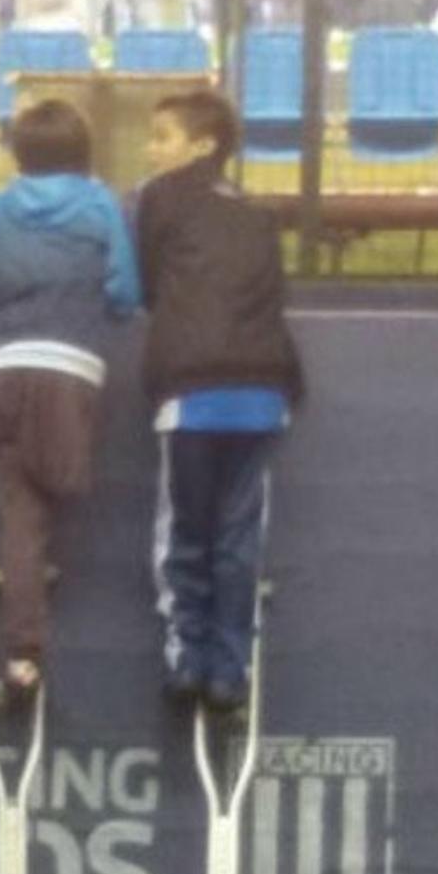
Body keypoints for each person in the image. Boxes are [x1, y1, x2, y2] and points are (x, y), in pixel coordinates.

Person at [0, 99, 140, 703]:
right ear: (84, 152)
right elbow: (124, 292)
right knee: (55, 490)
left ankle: (23, 654)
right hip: (72, 367)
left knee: (21, 512)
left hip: (6, 364)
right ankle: (34, 581)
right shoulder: (101, 205)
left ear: (18, 153)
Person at [134, 90, 303, 716]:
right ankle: (230, 671)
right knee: (237, 536)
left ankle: (187, 660)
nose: (151, 150)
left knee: (184, 530)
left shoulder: (159, 197)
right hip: (262, 391)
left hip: (192, 391)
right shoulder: (258, 215)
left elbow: (148, 285)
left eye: (163, 137)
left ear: (202, 145)